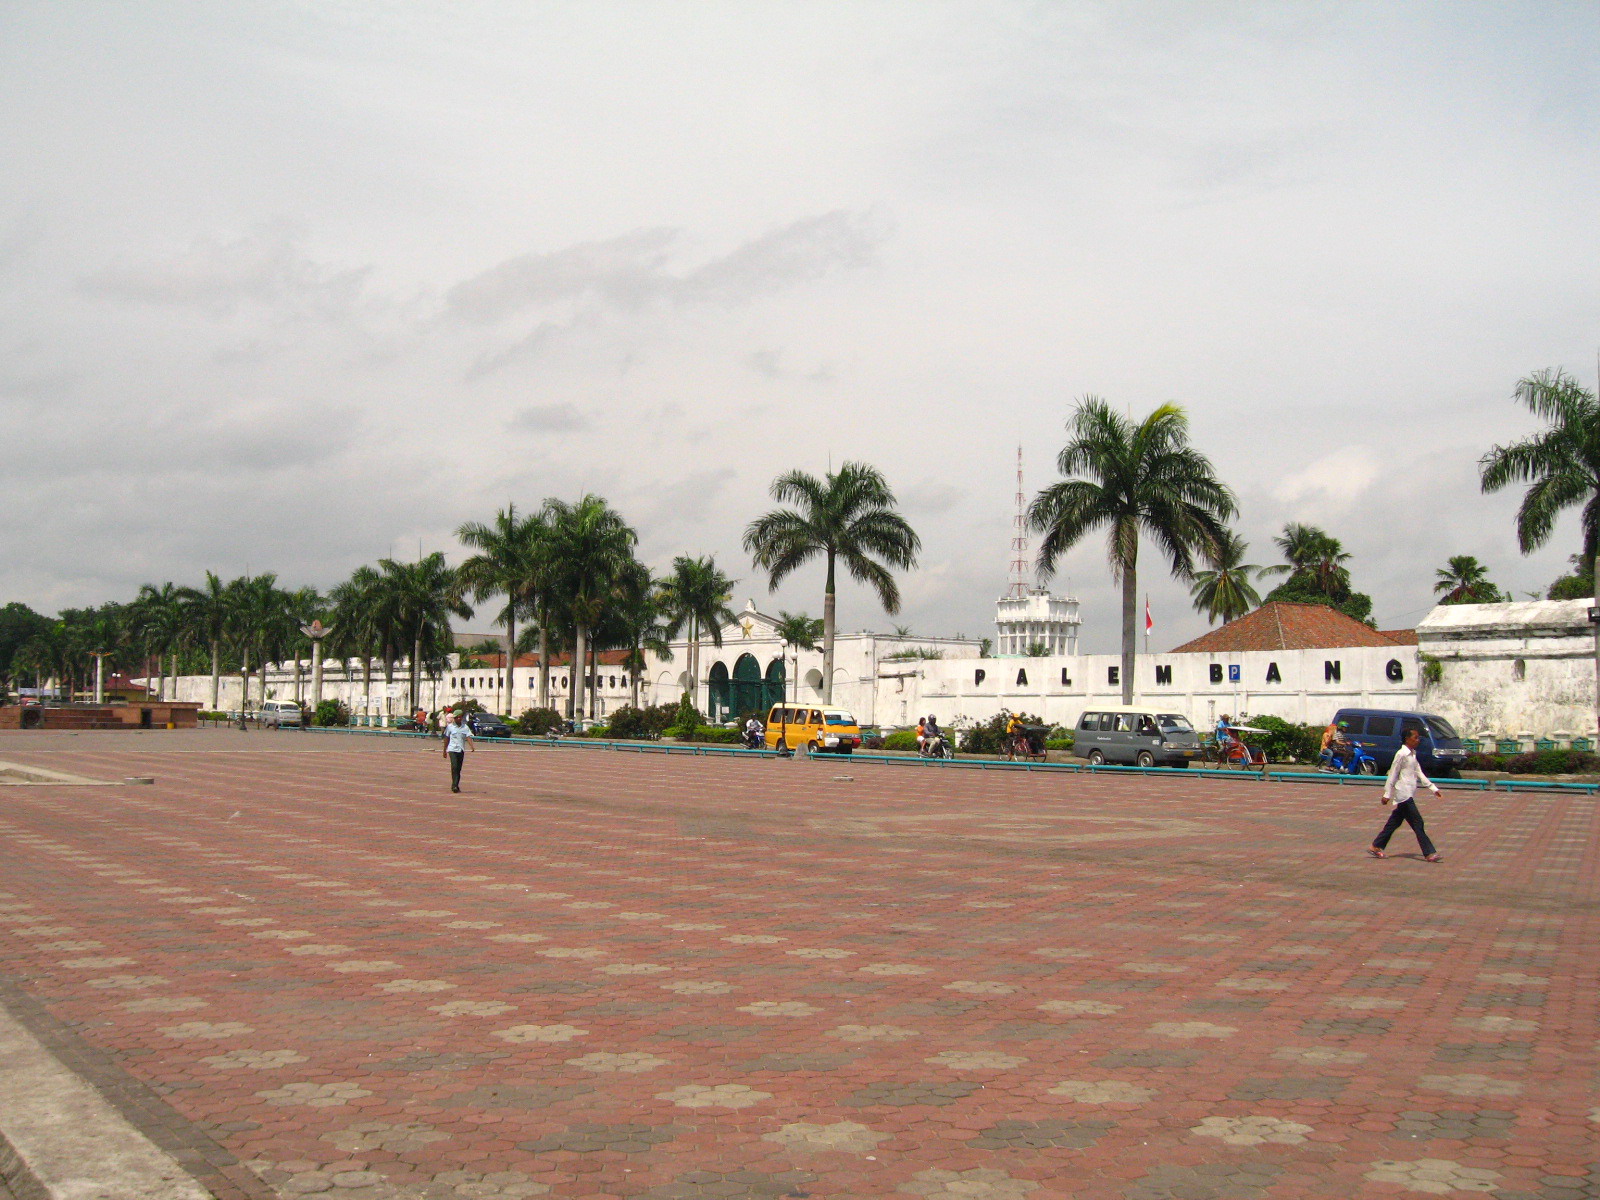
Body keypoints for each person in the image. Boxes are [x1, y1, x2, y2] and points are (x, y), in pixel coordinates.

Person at [1370, 727, 1442, 861]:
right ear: (1407, 739)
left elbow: (1419, 772)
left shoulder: (1413, 754)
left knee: (1394, 822)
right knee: (1418, 823)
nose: (1418, 740)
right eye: (1415, 737)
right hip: (1403, 795)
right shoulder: (1401, 754)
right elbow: (1393, 773)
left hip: (1409, 793)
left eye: (1418, 737)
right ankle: (1429, 853)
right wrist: (1387, 793)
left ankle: (1376, 845)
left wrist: (1433, 788)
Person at [443, 709, 475, 793]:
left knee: (458, 768)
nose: (458, 719)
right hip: (452, 749)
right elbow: (446, 738)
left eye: (459, 717)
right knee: (454, 766)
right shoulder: (450, 727)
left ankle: (456, 785)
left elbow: (468, 736)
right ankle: (454, 786)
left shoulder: (465, 727)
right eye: (456, 717)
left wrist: (471, 746)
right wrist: (444, 750)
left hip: (461, 750)